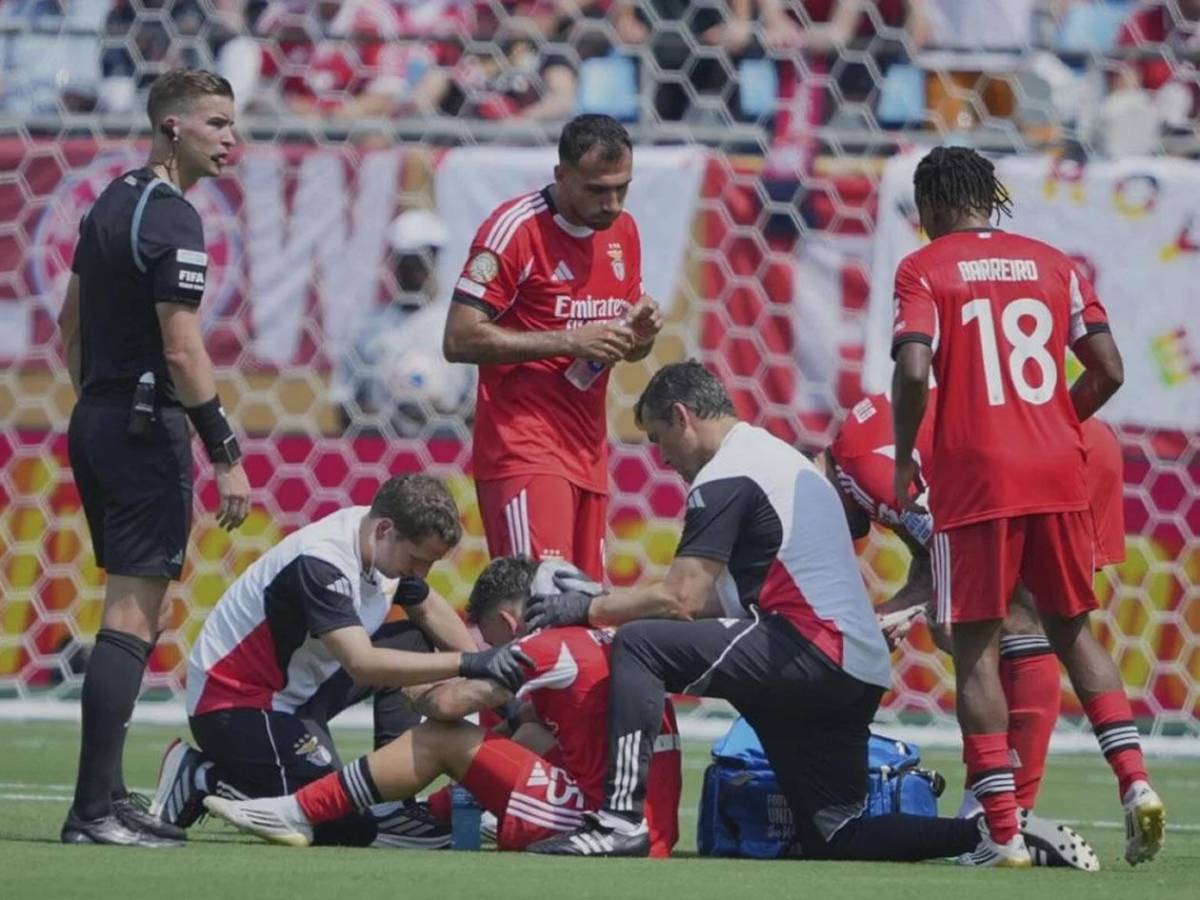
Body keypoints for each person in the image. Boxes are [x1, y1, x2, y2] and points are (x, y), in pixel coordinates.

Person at [510, 362, 1092, 867]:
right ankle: (997, 833)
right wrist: (603, 603)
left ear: (684, 416)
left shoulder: (726, 474)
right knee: (836, 835)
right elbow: (711, 604)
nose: (665, 461)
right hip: (852, 671)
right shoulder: (775, 457)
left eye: (661, 440)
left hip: (810, 651)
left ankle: (620, 822)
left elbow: (682, 600)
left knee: (639, 646)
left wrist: (588, 607)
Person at [890, 146, 1164, 867]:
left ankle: (1004, 833)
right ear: (991, 198)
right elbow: (1109, 370)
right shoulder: (1054, 263)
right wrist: (1050, 421)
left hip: (976, 475)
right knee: (1072, 630)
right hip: (1057, 465)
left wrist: (900, 455)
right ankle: (1135, 785)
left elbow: (914, 365)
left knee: (976, 646)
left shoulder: (926, 267)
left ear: (933, 208)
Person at [56, 68, 252, 847]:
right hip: (143, 429)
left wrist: (100, 399)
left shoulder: (110, 201)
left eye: (233, 123)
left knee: (127, 606)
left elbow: (69, 320)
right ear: (172, 126)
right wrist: (226, 453)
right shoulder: (173, 218)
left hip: (97, 419)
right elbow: (182, 348)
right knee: (133, 615)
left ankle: (107, 795)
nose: (231, 137)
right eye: (216, 122)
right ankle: (92, 813)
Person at [197, 556, 683, 857]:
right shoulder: (613, 637)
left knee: (442, 736)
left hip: (598, 827)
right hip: (654, 827)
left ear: (512, 623)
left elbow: (449, 705)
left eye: (491, 640)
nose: (492, 650)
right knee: (523, 735)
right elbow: (539, 739)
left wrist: (412, 682)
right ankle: (425, 818)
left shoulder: (547, 646)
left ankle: (299, 810)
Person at [146, 474, 530, 848]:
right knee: (345, 825)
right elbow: (362, 664)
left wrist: (490, 668)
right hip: (234, 704)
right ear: (384, 531)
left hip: (296, 696)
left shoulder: (381, 541)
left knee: (412, 638)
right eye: (416, 560)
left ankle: (394, 802)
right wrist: (468, 664)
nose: (420, 573)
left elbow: (428, 607)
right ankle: (201, 776)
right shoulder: (323, 562)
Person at [821, 388, 1126, 818]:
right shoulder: (857, 457)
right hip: (1060, 446)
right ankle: (1002, 804)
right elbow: (934, 559)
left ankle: (1001, 812)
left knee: (1018, 621)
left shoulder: (866, 476)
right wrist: (903, 606)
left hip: (1067, 459)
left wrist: (903, 609)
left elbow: (956, 556)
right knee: (989, 626)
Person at [442, 113, 664, 582]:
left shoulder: (624, 232)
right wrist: (568, 340)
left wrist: (641, 338)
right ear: (561, 176)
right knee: (540, 608)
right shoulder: (514, 230)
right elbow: (459, 337)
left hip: (588, 451)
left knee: (581, 614)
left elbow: (627, 351)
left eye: (622, 188)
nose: (612, 203)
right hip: (524, 447)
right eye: (597, 190)